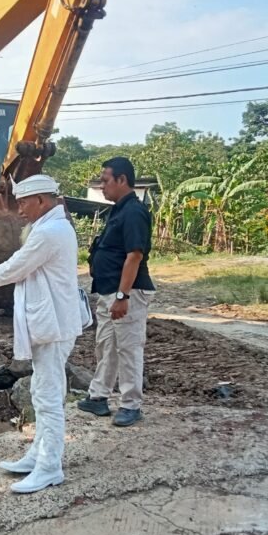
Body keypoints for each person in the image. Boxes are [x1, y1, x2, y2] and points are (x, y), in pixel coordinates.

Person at [0, 174, 82, 494]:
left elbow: (15, 267)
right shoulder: (52, 228)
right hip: (53, 323)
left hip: (53, 326)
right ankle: (38, 456)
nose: (19, 211)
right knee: (42, 393)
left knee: (47, 398)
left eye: (23, 203)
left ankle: (49, 467)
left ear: (42, 201)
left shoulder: (48, 233)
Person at [78, 156, 155, 427]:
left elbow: (134, 255)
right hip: (110, 291)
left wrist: (123, 296)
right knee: (107, 346)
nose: (102, 186)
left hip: (127, 293)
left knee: (129, 348)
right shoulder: (118, 210)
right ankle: (98, 397)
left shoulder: (134, 212)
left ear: (122, 180)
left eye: (106, 180)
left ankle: (131, 405)